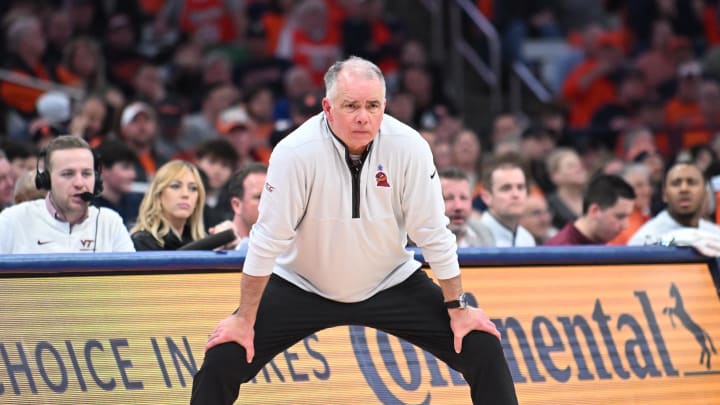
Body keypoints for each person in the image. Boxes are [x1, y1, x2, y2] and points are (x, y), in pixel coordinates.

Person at [191, 56, 518, 404]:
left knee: (481, 346)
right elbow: (266, 241)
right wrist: (244, 318)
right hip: (303, 282)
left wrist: (458, 308)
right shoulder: (294, 151)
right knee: (222, 359)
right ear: (328, 108)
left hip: (390, 280)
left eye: (372, 105)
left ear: (385, 106)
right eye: (351, 106)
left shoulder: (410, 147)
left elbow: (434, 234)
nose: (363, 116)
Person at [0, 135, 134, 253]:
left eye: (86, 174)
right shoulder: (13, 220)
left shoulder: (110, 223)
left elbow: (130, 280)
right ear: (47, 180)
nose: (79, 183)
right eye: (68, 174)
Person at [628, 162, 720, 245]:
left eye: (691, 182)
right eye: (676, 183)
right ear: (664, 194)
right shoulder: (645, 241)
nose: (684, 189)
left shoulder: (715, 235)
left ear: (705, 194)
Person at [130, 160, 207, 250]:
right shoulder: (142, 241)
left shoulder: (202, 241)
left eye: (193, 188)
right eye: (175, 186)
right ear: (158, 194)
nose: (185, 194)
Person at [545, 175, 636, 245]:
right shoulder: (561, 251)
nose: (626, 225)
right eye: (620, 217)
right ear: (594, 211)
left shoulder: (602, 240)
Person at [480, 153, 536, 247]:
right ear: (487, 197)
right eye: (506, 188)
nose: (515, 194)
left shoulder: (527, 238)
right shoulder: (475, 238)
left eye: (520, 187)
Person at [93, 139, 144, 229]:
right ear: (102, 169)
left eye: (133, 168)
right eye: (125, 167)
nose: (133, 175)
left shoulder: (137, 204)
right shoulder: (89, 209)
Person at [439, 167, 494, 247]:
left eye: (463, 198)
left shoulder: (483, 233)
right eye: (449, 198)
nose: (458, 207)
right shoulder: (418, 239)